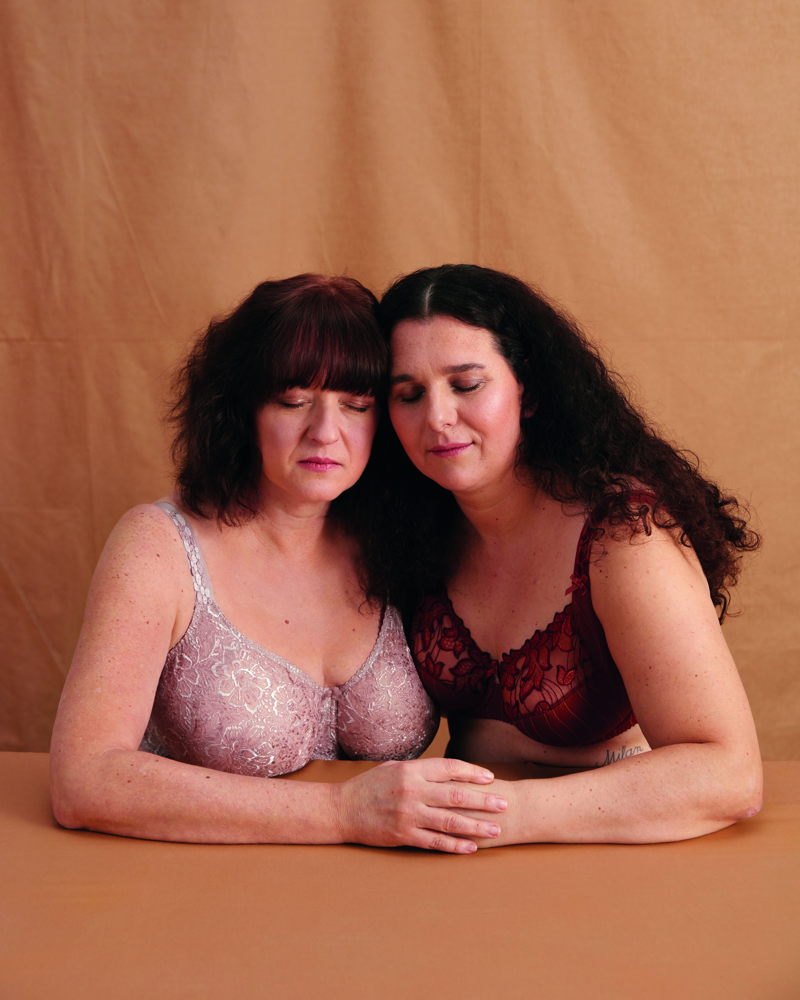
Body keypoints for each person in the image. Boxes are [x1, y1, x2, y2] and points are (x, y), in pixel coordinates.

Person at [50, 274, 509, 853]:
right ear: (240, 408)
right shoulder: (158, 546)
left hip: (387, 895)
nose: (325, 433)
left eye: (356, 405)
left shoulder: (407, 541)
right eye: (293, 401)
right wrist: (344, 813)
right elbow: (84, 779)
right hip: (196, 887)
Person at [378, 263, 762, 845]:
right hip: (463, 856)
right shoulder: (406, 528)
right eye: (409, 394)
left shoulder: (622, 533)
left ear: (528, 391)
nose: (437, 418)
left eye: (467, 385)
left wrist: (495, 814)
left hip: (613, 854)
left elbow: (729, 775)